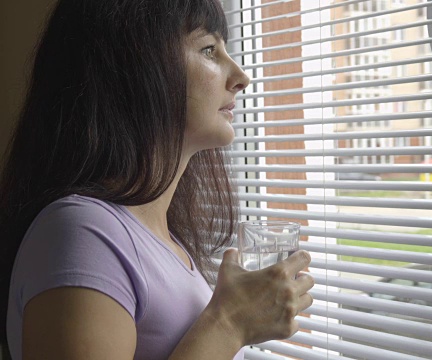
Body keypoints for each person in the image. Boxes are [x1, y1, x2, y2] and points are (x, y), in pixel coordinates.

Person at [0, 0, 314, 358]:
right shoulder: (82, 234)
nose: (241, 77)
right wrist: (230, 323)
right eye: (209, 49)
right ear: (131, 67)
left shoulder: (161, 242)